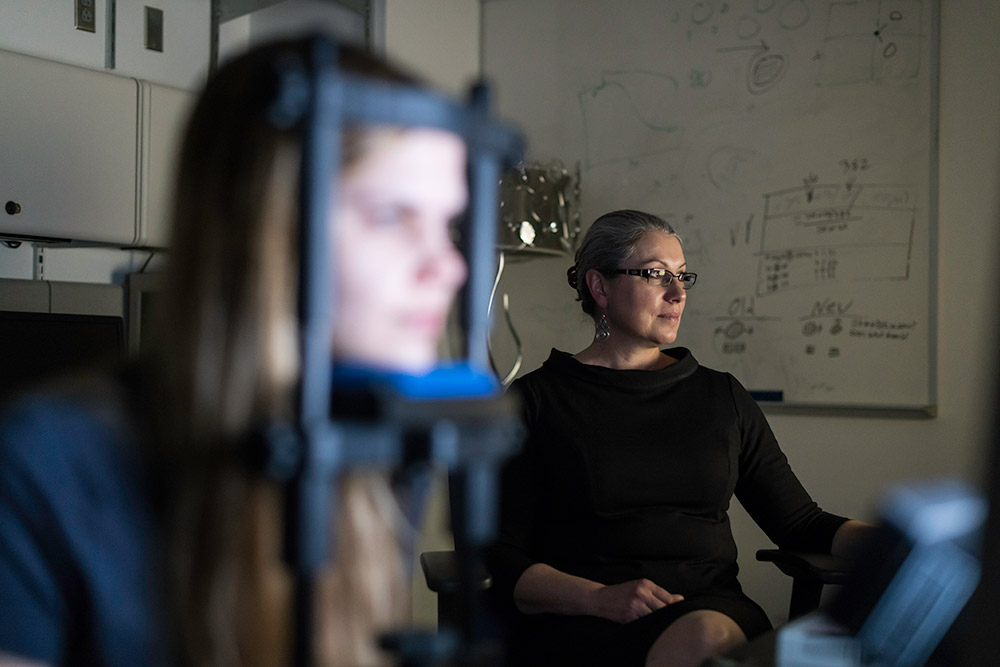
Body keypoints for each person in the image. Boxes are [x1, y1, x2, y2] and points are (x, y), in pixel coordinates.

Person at [0, 36, 476, 667]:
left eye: (447, 224)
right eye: (393, 216)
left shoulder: (363, 445)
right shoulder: (46, 464)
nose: (448, 267)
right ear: (266, 224)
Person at [486, 209, 870, 667]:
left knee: (702, 635)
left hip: (709, 609)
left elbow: (801, 523)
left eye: (683, 276)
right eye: (656, 275)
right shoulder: (536, 400)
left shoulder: (720, 396)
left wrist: (895, 546)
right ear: (600, 286)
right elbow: (498, 551)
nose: (678, 293)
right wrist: (598, 598)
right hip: (582, 614)